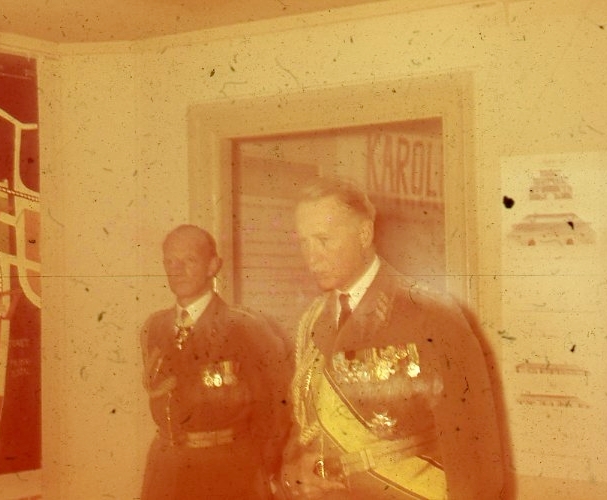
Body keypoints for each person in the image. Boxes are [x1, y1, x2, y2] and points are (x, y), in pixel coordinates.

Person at [278, 176, 509, 499]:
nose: (311, 257)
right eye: (304, 243)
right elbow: (303, 427)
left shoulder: (430, 314)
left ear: (364, 234)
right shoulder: (312, 321)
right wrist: (293, 472)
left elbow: (474, 449)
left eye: (323, 240)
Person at [140, 224, 291, 500]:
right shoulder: (155, 328)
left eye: (189, 260)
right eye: (170, 261)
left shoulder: (245, 327)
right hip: (166, 469)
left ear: (213, 266)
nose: (177, 270)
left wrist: (265, 472)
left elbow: (274, 411)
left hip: (227, 470)